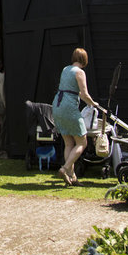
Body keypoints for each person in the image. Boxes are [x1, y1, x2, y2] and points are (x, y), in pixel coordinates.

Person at [52, 47, 99, 186]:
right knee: (82, 142)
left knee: (69, 143)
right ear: (84, 60)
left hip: (57, 105)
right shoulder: (80, 72)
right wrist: (93, 104)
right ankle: (65, 168)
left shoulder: (65, 69)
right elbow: (83, 94)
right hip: (68, 107)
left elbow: (70, 89)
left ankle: (72, 177)